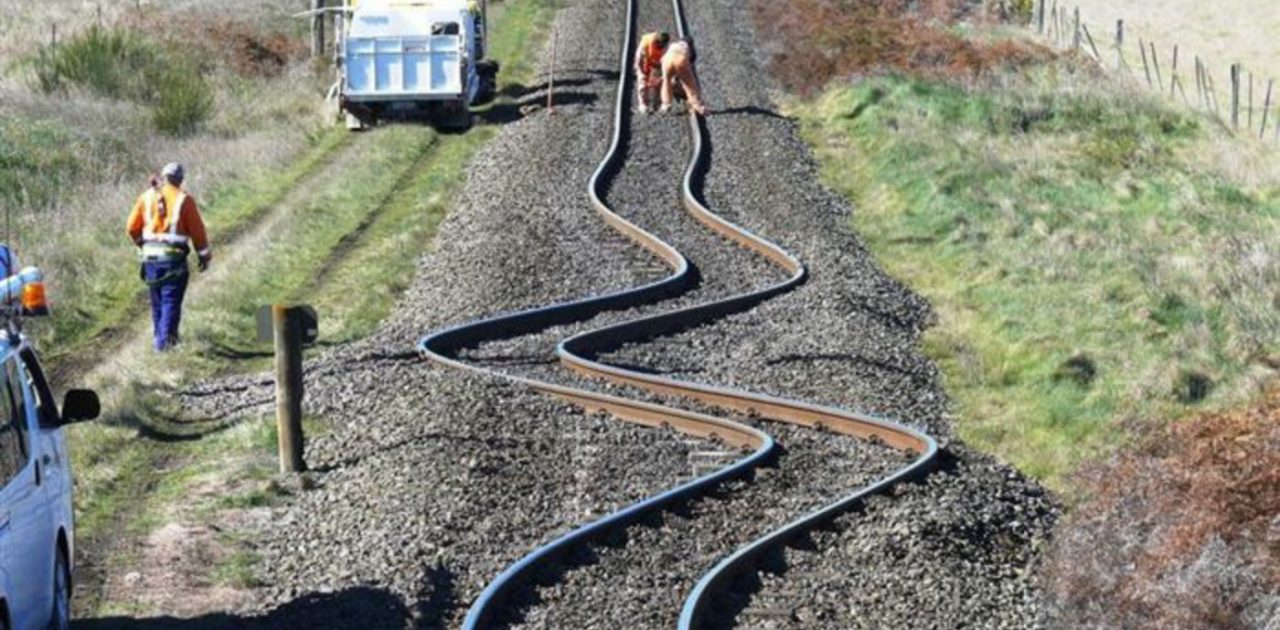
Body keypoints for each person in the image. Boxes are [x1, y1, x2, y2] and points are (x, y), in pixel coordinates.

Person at [125, 163, 211, 351]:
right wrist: (204, 256)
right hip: (173, 260)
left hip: (150, 260)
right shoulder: (184, 200)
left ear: (164, 177)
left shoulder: (146, 197)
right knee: (170, 301)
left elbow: (131, 227)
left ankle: (161, 339)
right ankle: (164, 347)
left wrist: (142, 244)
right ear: (180, 179)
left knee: (157, 302)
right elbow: (197, 231)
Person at [660, 38, 706, 116]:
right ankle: (698, 106)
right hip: (681, 60)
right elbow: (691, 62)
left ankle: (666, 104)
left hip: (666, 60)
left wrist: (672, 78)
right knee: (689, 84)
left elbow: (663, 59)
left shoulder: (672, 45)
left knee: (666, 83)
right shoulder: (689, 48)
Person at [634, 31, 670, 113]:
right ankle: (643, 105)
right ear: (657, 42)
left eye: (663, 46)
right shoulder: (646, 43)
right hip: (645, 60)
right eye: (660, 45)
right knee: (642, 82)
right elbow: (639, 58)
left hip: (657, 63)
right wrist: (640, 70)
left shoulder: (666, 48)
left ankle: (656, 104)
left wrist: (661, 74)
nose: (662, 47)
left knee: (658, 83)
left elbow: (665, 63)